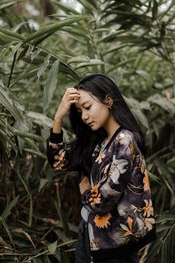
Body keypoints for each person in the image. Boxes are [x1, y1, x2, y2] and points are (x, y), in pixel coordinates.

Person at [47, 74, 156, 263]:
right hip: (91, 235)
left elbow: (103, 201)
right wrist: (58, 117)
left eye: (88, 107)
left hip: (115, 245)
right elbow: (59, 161)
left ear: (108, 100)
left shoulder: (124, 141)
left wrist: (86, 191)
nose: (85, 116)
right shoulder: (100, 141)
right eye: (80, 111)